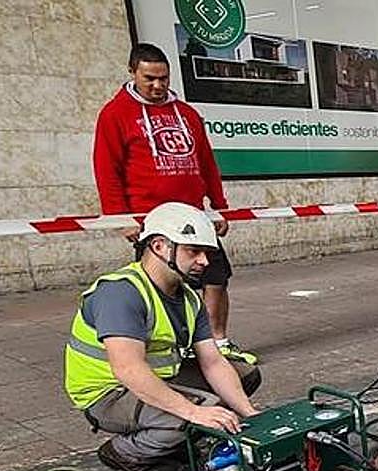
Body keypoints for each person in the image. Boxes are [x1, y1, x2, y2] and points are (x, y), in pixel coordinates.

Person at [64, 202, 261, 471]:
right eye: (194, 251)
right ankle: (124, 452)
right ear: (159, 246)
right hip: (107, 392)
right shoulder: (122, 293)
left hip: (153, 377)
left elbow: (214, 361)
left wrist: (251, 415)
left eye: (207, 253)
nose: (204, 261)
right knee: (192, 418)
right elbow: (129, 370)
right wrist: (194, 411)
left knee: (244, 375)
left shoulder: (190, 298)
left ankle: (176, 435)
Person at [92, 42, 256, 364]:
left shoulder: (187, 114)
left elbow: (206, 162)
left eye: (163, 78)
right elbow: (106, 168)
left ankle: (217, 343)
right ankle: (176, 348)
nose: (157, 85)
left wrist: (217, 205)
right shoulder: (115, 114)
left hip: (194, 213)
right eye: (149, 78)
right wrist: (121, 216)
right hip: (152, 219)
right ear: (132, 73)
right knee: (165, 283)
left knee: (215, 278)